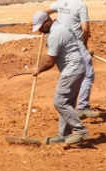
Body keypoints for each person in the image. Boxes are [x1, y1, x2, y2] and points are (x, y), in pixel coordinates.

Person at [41, 0, 98, 118]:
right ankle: (82, 107)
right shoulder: (81, 5)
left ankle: (67, 104)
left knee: (68, 71)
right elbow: (85, 30)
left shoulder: (63, 1)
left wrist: (43, 25)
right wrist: (84, 45)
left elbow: (43, 12)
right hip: (76, 43)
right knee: (88, 74)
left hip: (61, 41)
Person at [31, 11, 90, 146]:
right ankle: (64, 135)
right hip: (78, 68)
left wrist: (38, 70)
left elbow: (50, 62)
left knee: (60, 102)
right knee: (67, 103)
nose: (40, 31)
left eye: (41, 27)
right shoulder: (62, 24)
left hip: (71, 71)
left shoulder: (55, 36)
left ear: (47, 21)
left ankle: (80, 130)